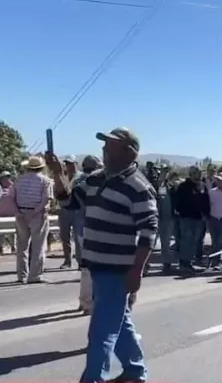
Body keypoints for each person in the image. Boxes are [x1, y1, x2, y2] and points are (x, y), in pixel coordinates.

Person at [48, 127, 158, 383]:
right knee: (120, 323)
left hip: (118, 270)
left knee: (101, 331)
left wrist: (137, 270)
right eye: (105, 145)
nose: (104, 150)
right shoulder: (96, 178)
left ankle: (94, 378)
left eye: (110, 146)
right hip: (96, 265)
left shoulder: (139, 187)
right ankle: (135, 370)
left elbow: (148, 231)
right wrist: (57, 173)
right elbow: (69, 202)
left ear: (129, 152)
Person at [13, 155, 52, 284]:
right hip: (36, 215)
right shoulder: (45, 180)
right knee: (38, 245)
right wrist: (36, 211)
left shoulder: (18, 180)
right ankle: (35, 275)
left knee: (22, 246)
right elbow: (46, 198)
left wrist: (18, 212)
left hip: (21, 213)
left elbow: (11, 197)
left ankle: (21, 275)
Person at [73, 155, 103, 315]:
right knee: (94, 267)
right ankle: (89, 303)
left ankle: (84, 300)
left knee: (86, 266)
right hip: (92, 227)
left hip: (80, 227)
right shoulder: (93, 182)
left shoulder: (77, 180)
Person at [173, 166, 210, 274]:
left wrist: (206, 214)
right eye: (194, 173)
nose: (197, 175)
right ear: (190, 174)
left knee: (195, 241)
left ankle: (190, 262)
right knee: (186, 240)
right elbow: (177, 202)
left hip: (199, 219)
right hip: (187, 218)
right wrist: (182, 212)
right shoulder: (183, 186)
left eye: (198, 173)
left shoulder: (202, 186)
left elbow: (206, 200)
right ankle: (184, 263)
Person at [58, 155, 82, 269]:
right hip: (64, 209)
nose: (69, 166)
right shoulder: (63, 177)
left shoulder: (81, 177)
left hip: (77, 210)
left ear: (76, 164)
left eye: (71, 163)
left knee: (78, 237)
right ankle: (67, 260)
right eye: (67, 164)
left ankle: (80, 261)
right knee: (64, 236)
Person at [156, 164, 176, 274]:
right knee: (151, 242)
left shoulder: (171, 186)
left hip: (169, 218)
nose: (164, 173)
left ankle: (166, 264)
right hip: (157, 217)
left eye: (166, 171)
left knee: (166, 242)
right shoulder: (156, 185)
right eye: (163, 171)